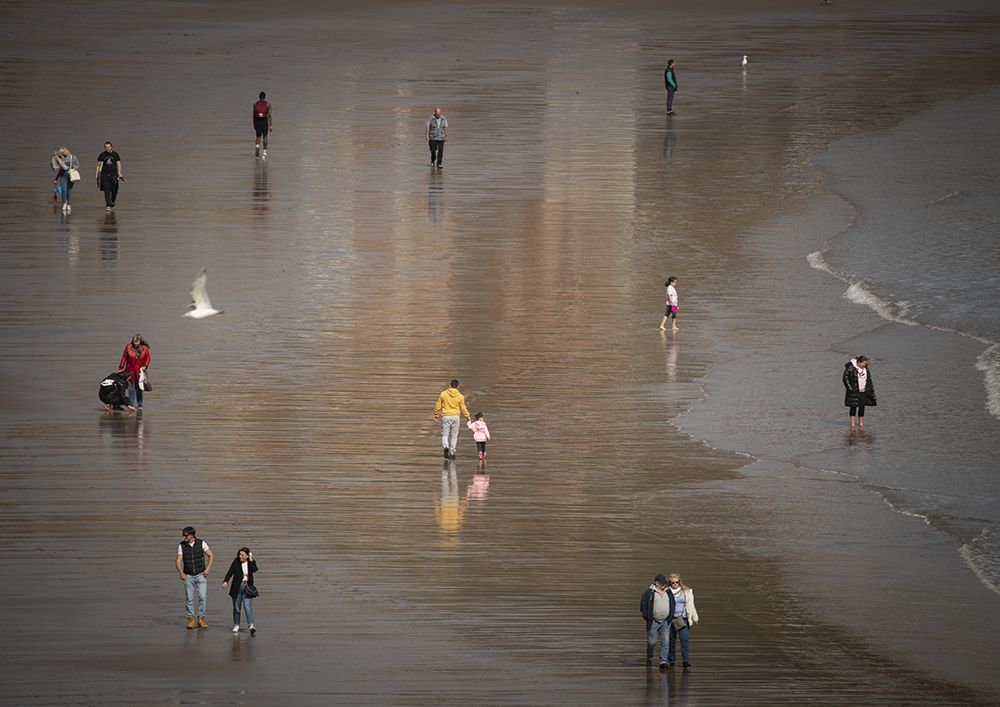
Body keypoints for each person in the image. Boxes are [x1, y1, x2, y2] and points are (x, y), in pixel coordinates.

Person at [176, 526, 214, 629]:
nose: (184, 537)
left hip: (201, 574)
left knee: (202, 596)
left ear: (192, 535)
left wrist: (208, 568)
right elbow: (179, 560)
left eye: (186, 535)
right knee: (189, 598)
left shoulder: (202, 543)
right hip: (188, 575)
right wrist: (180, 572)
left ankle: (201, 619)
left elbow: (211, 555)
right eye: (184, 535)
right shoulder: (182, 545)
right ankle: (191, 619)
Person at [640, 573, 675, 669]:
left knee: (665, 642)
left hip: (665, 622)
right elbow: (643, 607)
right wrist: (648, 617)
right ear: (656, 583)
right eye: (662, 583)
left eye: (665, 583)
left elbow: (673, 604)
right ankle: (649, 656)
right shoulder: (648, 593)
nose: (664, 585)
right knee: (651, 642)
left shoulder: (668, 592)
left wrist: (670, 616)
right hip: (653, 622)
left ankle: (663, 661)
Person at [665, 572, 699, 671]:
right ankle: (671, 660)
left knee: (684, 638)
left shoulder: (687, 591)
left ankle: (685, 661)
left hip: (682, 618)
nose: (675, 584)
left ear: (680, 582)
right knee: (671, 640)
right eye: (672, 582)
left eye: (677, 582)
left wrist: (695, 618)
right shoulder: (666, 591)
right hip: (670, 618)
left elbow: (691, 605)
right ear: (669, 583)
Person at [223, 547, 258, 635]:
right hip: (237, 587)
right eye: (239, 554)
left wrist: (251, 559)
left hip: (247, 588)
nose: (240, 557)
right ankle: (236, 625)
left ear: (247, 555)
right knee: (237, 607)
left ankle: (251, 625)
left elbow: (255, 569)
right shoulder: (236, 562)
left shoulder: (250, 563)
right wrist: (226, 581)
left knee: (247, 607)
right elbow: (230, 572)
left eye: (242, 555)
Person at [434, 379, 471, 460]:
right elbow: (463, 408)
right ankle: (452, 452)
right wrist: (467, 416)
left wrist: (436, 413)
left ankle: (446, 447)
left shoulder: (443, 394)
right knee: (454, 436)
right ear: (458, 387)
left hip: (445, 416)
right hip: (456, 416)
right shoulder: (460, 396)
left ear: (449, 385)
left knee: (445, 434)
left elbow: (438, 404)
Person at [843, 355, 877, 431]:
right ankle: (852, 423)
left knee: (862, 407)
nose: (865, 365)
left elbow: (869, 380)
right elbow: (845, 379)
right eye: (864, 363)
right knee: (853, 407)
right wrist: (850, 389)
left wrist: (870, 390)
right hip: (854, 391)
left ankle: (861, 423)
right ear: (859, 362)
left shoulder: (866, 369)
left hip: (863, 391)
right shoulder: (850, 368)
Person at [119, 335, 150, 410]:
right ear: (132, 341)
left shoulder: (145, 349)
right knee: (131, 388)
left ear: (140, 342)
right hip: (130, 371)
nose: (135, 343)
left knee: (139, 388)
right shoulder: (128, 347)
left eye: (137, 341)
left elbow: (148, 358)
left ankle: (140, 404)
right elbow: (124, 357)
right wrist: (121, 366)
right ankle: (131, 404)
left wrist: (145, 366)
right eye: (134, 341)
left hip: (140, 371)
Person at [95, 141, 123, 211]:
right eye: (106, 147)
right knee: (106, 190)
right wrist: (97, 174)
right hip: (104, 175)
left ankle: (112, 201)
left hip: (114, 174)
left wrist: (119, 173)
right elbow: (98, 165)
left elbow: (119, 164)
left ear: (111, 147)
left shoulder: (115, 154)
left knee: (115, 189)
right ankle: (108, 205)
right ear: (104, 148)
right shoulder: (102, 155)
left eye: (108, 147)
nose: (107, 148)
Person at [51, 147, 80, 212]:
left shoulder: (73, 157)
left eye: (62, 154)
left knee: (69, 190)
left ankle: (69, 204)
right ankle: (64, 203)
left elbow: (78, 165)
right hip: (62, 176)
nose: (62, 156)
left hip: (71, 176)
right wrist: (56, 179)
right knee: (64, 190)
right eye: (60, 154)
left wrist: (73, 167)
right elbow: (59, 170)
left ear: (66, 152)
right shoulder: (60, 158)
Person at [253, 92, 272, 158]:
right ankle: (264, 153)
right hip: (264, 122)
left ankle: (257, 147)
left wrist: (254, 124)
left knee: (258, 136)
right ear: (265, 97)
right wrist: (271, 125)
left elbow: (254, 116)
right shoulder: (268, 105)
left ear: (259, 97)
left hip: (258, 121)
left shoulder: (255, 104)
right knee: (265, 137)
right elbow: (269, 115)